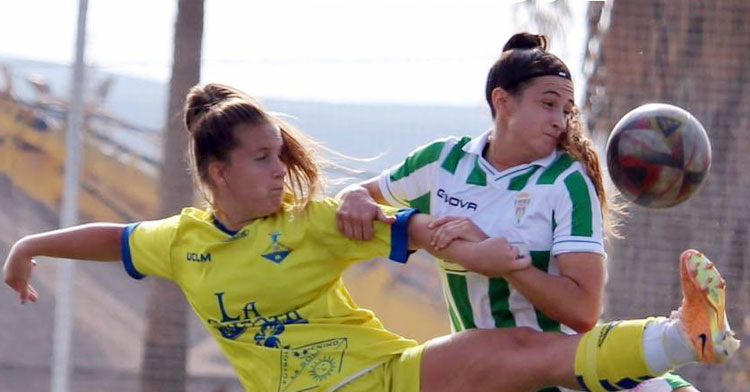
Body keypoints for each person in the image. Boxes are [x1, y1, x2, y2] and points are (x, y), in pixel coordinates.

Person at [3, 83, 739, 392]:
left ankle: (681, 338)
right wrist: (30, 247)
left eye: (279, 155)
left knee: (523, 353)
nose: (280, 172)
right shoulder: (183, 241)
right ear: (216, 172)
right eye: (261, 159)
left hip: (389, 379)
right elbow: (116, 238)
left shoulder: (315, 223)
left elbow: (414, 227)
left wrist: (476, 251)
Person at [334, 33, 704, 392]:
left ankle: (685, 332)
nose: (560, 120)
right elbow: (365, 199)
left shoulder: (568, 182)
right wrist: (351, 194)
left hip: (563, 374)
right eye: (548, 104)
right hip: (480, 375)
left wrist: (509, 264)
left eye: (566, 110)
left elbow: (583, 311)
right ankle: (679, 334)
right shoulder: (443, 162)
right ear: (503, 101)